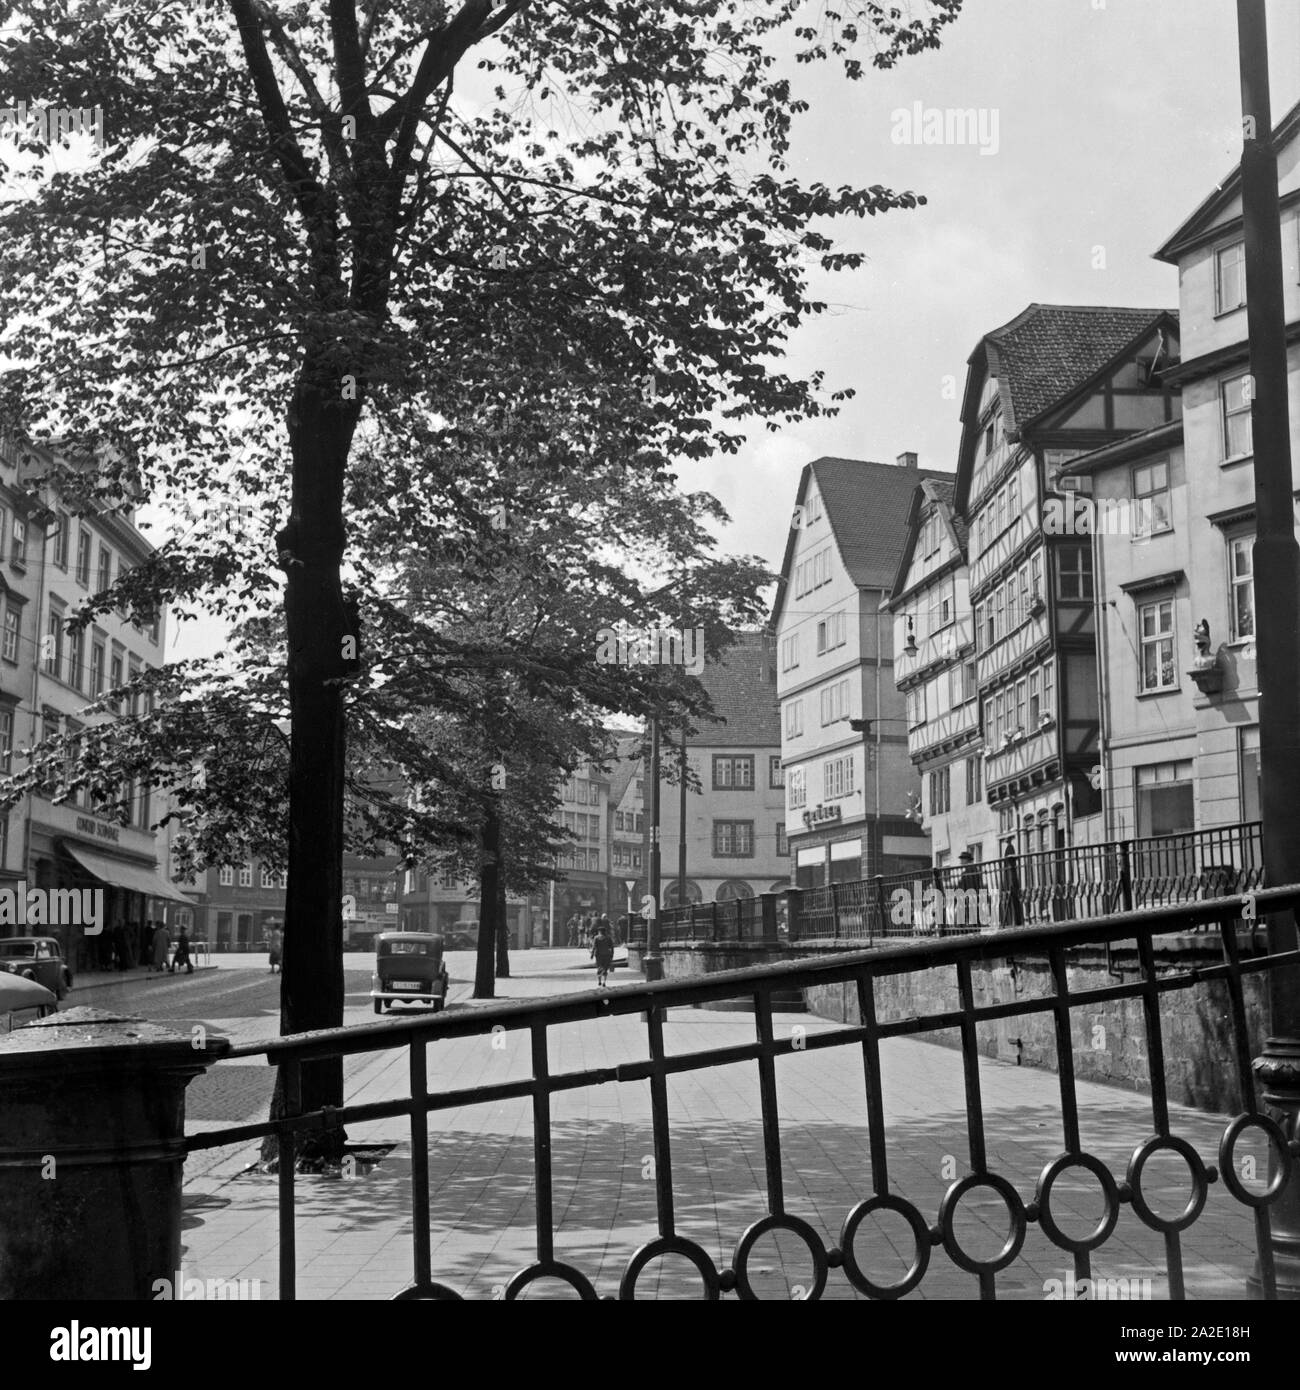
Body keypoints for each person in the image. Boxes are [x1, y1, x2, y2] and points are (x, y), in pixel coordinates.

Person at [590, 922, 615, 987]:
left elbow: (594, 947)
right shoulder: (608, 938)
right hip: (607, 955)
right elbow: (612, 947)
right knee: (605, 969)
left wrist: (592, 954)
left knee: (599, 968)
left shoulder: (596, 938)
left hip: (598, 956)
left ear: (599, 931)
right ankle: (604, 982)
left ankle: (599, 981)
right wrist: (612, 955)